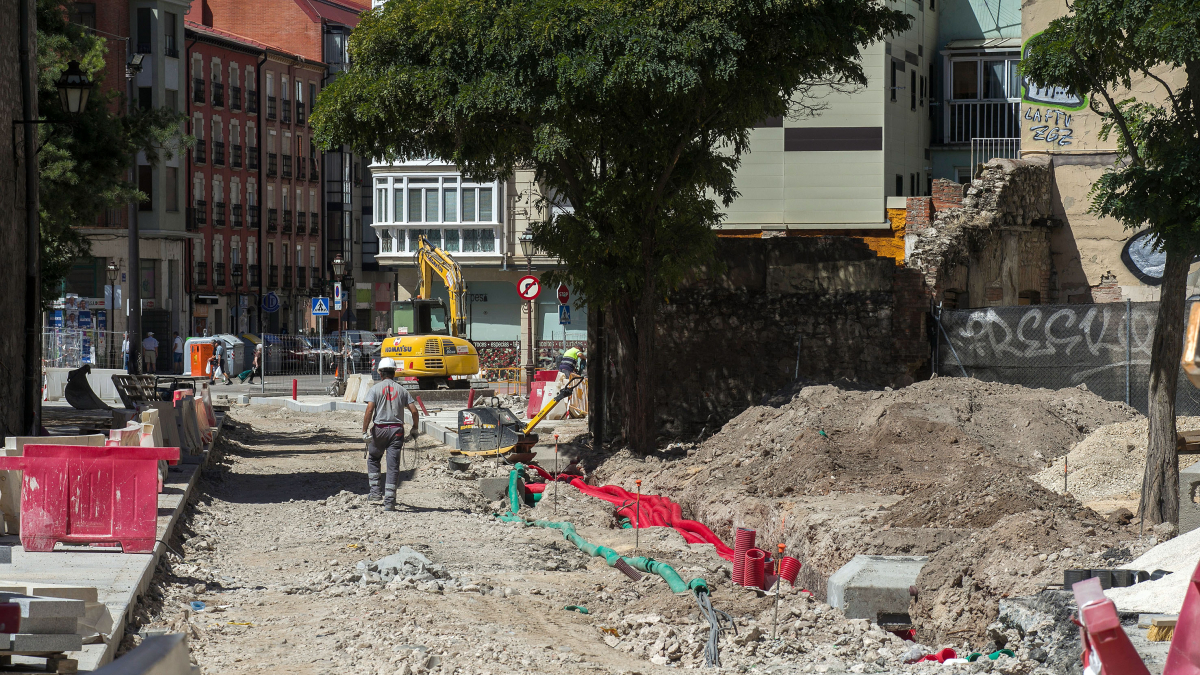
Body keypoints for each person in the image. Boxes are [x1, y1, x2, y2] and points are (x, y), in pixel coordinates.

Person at [361, 357, 420, 512]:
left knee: (374, 458)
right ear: (394, 373)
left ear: (380, 373)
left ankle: (375, 493)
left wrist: (364, 431)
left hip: (379, 430)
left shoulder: (375, 389)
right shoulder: (402, 390)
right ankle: (390, 502)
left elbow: (369, 410)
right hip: (396, 431)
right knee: (393, 466)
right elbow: (414, 411)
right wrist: (414, 428)